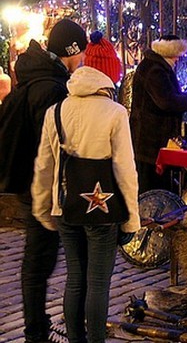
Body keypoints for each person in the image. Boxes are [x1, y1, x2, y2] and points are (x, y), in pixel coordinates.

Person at [31, 31, 140, 343]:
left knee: (75, 278)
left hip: (66, 205)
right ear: (108, 76)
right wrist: (132, 219)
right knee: (98, 281)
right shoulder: (115, 112)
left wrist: (44, 207)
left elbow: (45, 164)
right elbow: (125, 170)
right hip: (102, 209)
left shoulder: (57, 111)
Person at [0, 18, 87, 343]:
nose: (82, 60)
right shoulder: (50, 88)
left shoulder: (39, 79)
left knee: (40, 261)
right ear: (72, 51)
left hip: (34, 182)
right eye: (81, 53)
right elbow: (51, 145)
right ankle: (36, 332)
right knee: (39, 262)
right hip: (42, 187)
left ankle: (40, 327)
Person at [130, 34, 187, 193]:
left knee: (153, 187)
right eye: (177, 55)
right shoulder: (156, 70)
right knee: (152, 191)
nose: (178, 59)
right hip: (150, 142)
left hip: (150, 141)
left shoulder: (155, 67)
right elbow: (166, 101)